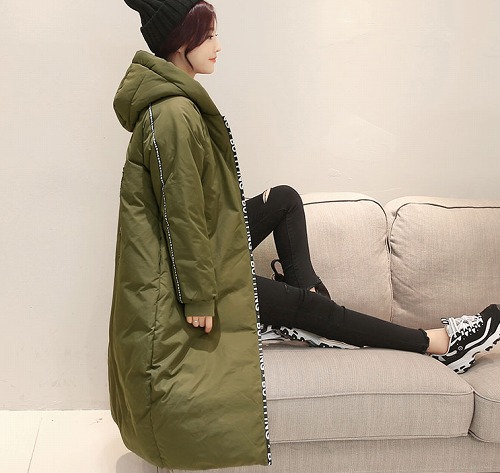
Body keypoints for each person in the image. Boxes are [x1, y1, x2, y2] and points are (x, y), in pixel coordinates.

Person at [109, 0, 500, 469]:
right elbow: (182, 214)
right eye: (209, 35)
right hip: (192, 277)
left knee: (283, 199)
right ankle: (435, 343)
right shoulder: (173, 113)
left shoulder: (177, 104)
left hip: (210, 248)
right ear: (181, 40)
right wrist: (199, 298)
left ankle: (304, 302)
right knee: (310, 310)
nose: (218, 45)